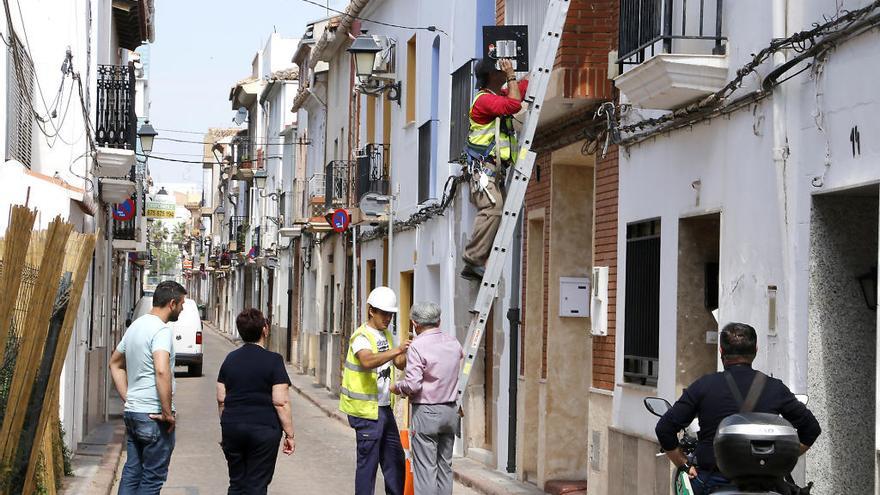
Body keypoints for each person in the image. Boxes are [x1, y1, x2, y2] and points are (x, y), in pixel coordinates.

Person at [654, 322, 822, 495]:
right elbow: (811, 428)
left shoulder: (703, 386)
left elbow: (664, 428)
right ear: (755, 350)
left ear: (721, 351)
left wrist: (684, 464)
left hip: (712, 481)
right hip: (765, 485)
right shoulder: (775, 388)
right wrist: (781, 457)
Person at [109, 280, 186, 495]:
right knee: (152, 478)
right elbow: (162, 370)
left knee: (132, 472)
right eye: (182, 304)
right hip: (153, 417)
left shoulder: (136, 326)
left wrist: (129, 398)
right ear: (172, 303)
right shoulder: (161, 331)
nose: (182, 309)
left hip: (134, 413)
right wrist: (167, 413)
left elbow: (114, 363)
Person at [461, 57, 529, 281]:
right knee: (492, 209)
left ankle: (480, 259)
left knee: (501, 213)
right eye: (500, 70)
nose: (504, 72)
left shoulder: (494, 97)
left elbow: (518, 92)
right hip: (484, 171)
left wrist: (530, 78)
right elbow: (513, 105)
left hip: (495, 173)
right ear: (492, 75)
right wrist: (511, 75)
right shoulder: (483, 101)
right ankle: (473, 259)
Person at [216, 308, 295, 495]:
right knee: (257, 484)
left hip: (233, 427)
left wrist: (225, 427)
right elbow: (281, 402)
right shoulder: (274, 361)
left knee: (236, 483)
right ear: (265, 330)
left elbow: (221, 399)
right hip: (264, 431)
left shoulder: (230, 359)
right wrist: (289, 434)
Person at [339, 286, 410, 495]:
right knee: (367, 467)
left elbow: (398, 363)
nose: (388, 318)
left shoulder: (386, 334)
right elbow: (367, 360)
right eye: (384, 313)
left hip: (384, 409)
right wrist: (397, 349)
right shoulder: (360, 336)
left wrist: (409, 351)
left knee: (395, 462)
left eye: (391, 314)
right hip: (365, 411)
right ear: (371, 310)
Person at [390, 302, 463, 495]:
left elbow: (413, 384)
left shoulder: (417, 346)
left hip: (427, 412)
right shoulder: (453, 342)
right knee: (445, 467)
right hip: (450, 410)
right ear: (439, 320)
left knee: (425, 470)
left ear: (415, 323)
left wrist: (397, 387)